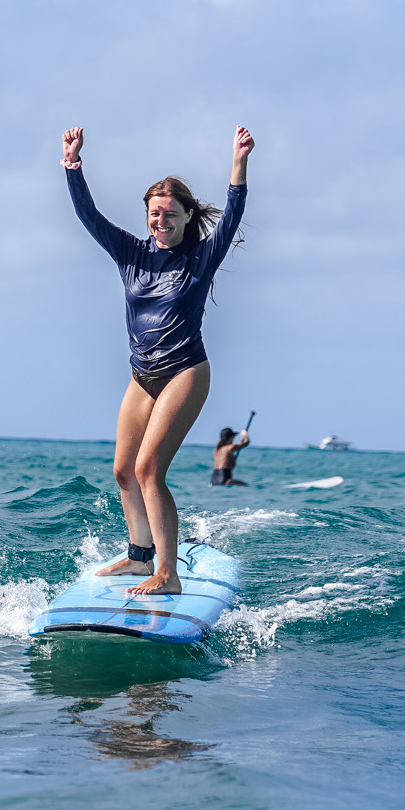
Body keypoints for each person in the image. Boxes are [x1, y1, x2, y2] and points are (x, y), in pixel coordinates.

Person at [64, 124, 253, 596]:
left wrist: (238, 164)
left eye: (170, 214)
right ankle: (139, 555)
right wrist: (73, 166)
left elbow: (233, 213)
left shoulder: (201, 256)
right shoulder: (131, 253)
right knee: (123, 470)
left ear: (187, 215)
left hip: (185, 371)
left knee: (149, 469)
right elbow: (89, 216)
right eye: (154, 213)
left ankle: (167, 575)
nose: (161, 221)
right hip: (141, 375)